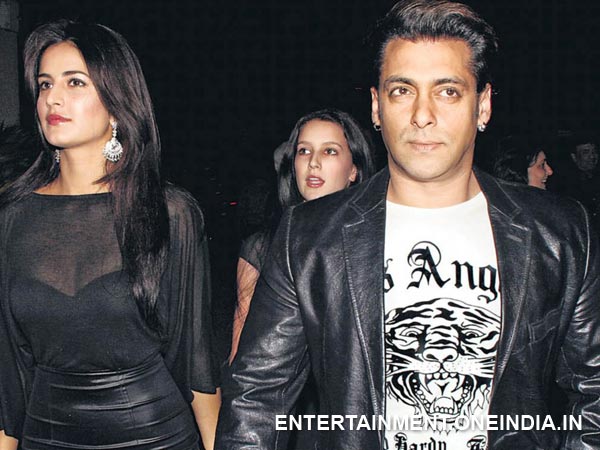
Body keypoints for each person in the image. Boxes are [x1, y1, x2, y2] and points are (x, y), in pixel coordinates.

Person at [215, 1, 600, 449]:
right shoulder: (308, 238)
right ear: (376, 107)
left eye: (448, 91)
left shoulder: (560, 233)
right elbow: (256, 399)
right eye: (402, 90)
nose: (422, 114)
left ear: (483, 105)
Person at [0, 20, 220, 450]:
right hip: (45, 435)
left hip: (154, 436)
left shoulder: (168, 212)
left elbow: (195, 364)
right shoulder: (11, 218)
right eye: (44, 84)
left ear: (118, 103)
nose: (53, 98)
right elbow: (7, 371)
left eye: (75, 82)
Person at [230, 108, 376, 363]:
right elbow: (242, 356)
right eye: (304, 151)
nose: (313, 162)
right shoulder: (262, 248)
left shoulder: (375, 247)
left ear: (353, 170)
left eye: (329, 151)